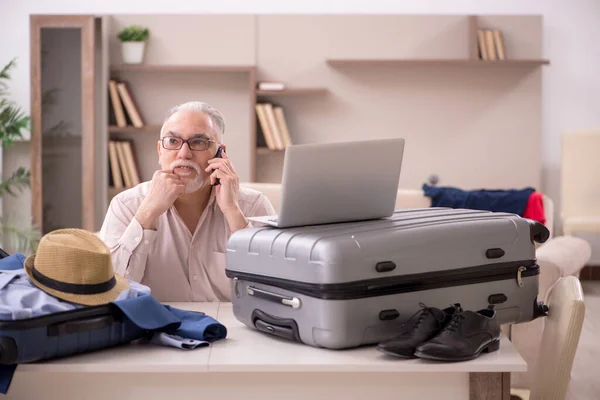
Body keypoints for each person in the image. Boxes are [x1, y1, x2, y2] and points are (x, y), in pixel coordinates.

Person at [98, 101, 275, 302]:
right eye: (173, 141)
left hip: (236, 328)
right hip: (157, 327)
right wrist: (148, 213)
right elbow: (111, 291)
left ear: (221, 153)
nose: (184, 153)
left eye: (198, 142)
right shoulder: (127, 205)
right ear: (160, 150)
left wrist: (233, 212)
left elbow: (272, 289)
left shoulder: (253, 205)